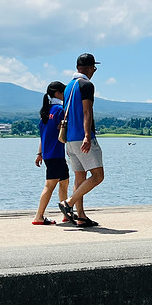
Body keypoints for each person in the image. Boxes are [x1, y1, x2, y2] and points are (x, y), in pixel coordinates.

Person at [58, 53, 104, 228]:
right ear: (90, 67)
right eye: (94, 68)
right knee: (98, 176)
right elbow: (87, 111)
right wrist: (87, 135)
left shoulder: (69, 86)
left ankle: (81, 216)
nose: (94, 71)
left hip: (69, 139)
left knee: (80, 175)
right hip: (82, 137)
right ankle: (68, 203)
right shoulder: (87, 85)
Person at [33, 81, 69, 225]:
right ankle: (39, 216)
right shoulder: (60, 111)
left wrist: (39, 153)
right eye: (63, 92)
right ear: (57, 93)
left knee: (64, 181)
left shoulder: (45, 113)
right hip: (56, 154)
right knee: (50, 185)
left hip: (49, 154)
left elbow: (43, 136)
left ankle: (66, 213)